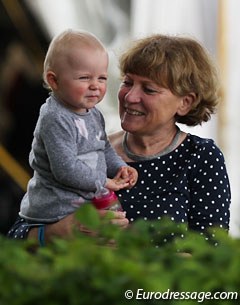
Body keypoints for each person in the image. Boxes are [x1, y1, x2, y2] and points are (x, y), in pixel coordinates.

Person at [8, 33, 230, 245]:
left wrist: (134, 253)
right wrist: (55, 233)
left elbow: (211, 252)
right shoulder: (88, 147)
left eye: (149, 89)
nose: (130, 96)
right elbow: (17, 236)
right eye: (127, 82)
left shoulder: (200, 157)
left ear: (185, 102)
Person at [11, 29, 138, 230]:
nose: (95, 86)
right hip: (57, 208)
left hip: (88, 197)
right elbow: (65, 169)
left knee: (120, 226)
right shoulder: (55, 117)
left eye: (102, 78)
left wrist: (120, 167)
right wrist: (104, 182)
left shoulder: (92, 112)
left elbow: (103, 148)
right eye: (84, 78)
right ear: (54, 80)